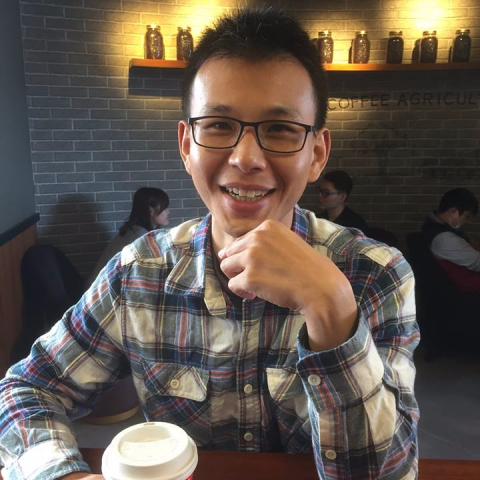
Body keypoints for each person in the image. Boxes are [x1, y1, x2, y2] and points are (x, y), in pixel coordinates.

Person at [0, 7, 419, 480]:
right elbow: (26, 391)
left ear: (317, 153)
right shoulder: (139, 272)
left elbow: (389, 473)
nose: (246, 158)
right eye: (219, 125)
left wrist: (332, 306)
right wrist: (61, 474)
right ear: (186, 145)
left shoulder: (375, 274)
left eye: (279, 129)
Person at [86, 187, 170, 286]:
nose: (168, 212)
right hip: (103, 291)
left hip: (101, 288)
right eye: (164, 208)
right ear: (151, 211)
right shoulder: (140, 237)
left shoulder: (133, 231)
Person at [422, 187, 480, 293]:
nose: (467, 221)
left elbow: (471, 244)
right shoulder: (444, 238)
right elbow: (477, 263)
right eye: (466, 217)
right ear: (453, 211)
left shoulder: (438, 225)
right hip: (469, 285)